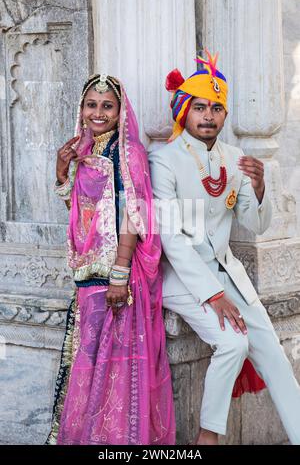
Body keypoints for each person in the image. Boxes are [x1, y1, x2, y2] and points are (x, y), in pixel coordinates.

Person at [148, 50, 300, 445]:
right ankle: (207, 438)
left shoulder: (235, 159)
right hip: (181, 278)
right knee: (233, 342)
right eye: (200, 107)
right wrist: (213, 295)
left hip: (228, 271)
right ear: (184, 111)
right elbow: (171, 238)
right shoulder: (163, 160)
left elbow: (256, 223)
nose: (209, 116)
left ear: (225, 116)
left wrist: (262, 188)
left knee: (273, 353)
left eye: (216, 108)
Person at [47, 74, 175, 445]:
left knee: (115, 370)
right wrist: (62, 172)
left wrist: (120, 273)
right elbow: (83, 215)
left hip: (116, 278)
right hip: (87, 276)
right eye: (91, 104)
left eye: (107, 105)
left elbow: (132, 212)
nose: (98, 112)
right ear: (81, 109)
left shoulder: (128, 152)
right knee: (89, 364)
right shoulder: (86, 151)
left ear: (120, 111)